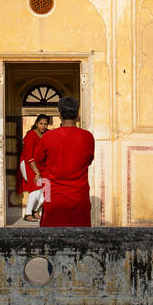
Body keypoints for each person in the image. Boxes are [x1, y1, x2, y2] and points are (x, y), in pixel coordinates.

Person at [31, 95, 95, 227]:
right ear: (77, 115)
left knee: (51, 240)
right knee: (81, 241)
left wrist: (50, 171)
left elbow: (38, 160)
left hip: (53, 198)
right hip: (79, 198)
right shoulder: (87, 137)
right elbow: (88, 161)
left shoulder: (48, 137)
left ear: (59, 115)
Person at [19, 114, 49, 222]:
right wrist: (37, 173)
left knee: (46, 189)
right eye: (41, 124)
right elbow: (29, 156)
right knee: (35, 187)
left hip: (40, 166)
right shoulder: (30, 135)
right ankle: (27, 214)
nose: (43, 126)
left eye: (45, 124)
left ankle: (35, 211)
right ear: (36, 123)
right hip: (28, 164)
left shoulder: (47, 135)